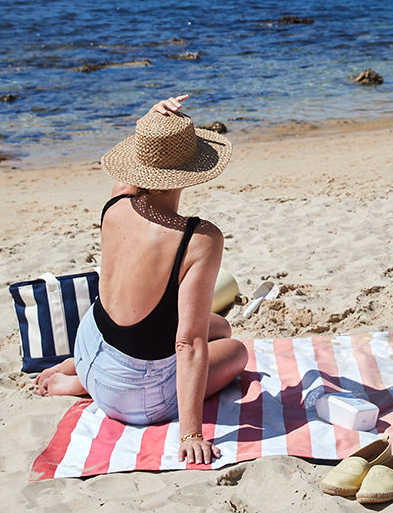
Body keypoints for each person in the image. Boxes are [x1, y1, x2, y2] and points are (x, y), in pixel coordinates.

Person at [35, 94, 247, 463]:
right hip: (136, 397)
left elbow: (129, 176)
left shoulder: (117, 202)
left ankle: (74, 377)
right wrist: (191, 432)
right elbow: (188, 343)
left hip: (88, 351)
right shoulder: (199, 239)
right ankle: (83, 384)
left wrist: (151, 120)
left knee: (221, 326)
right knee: (235, 349)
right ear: (193, 171)